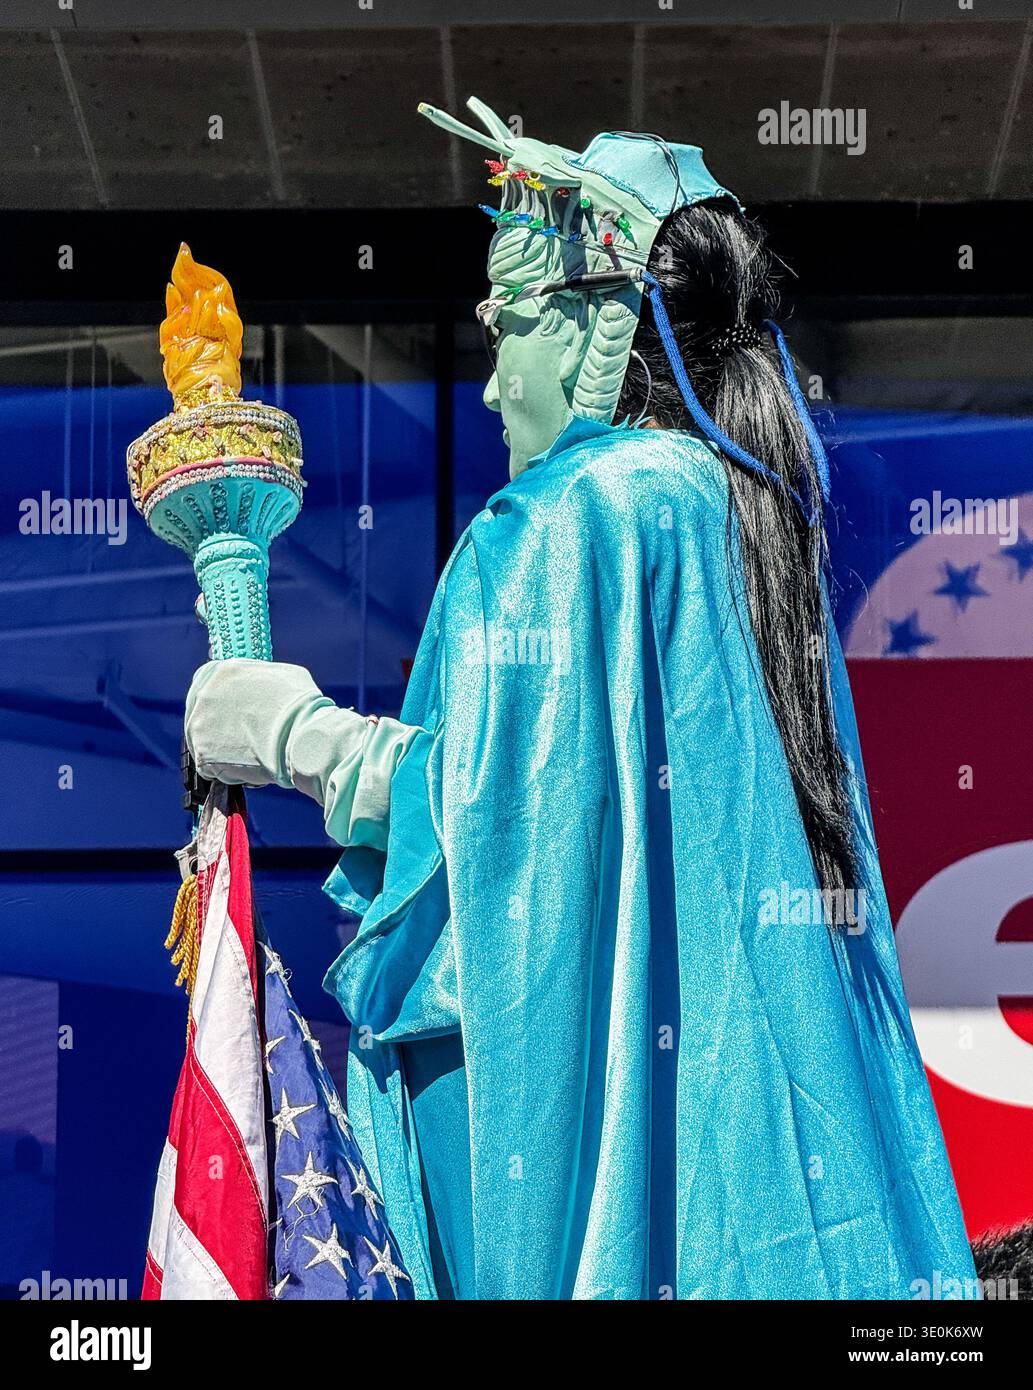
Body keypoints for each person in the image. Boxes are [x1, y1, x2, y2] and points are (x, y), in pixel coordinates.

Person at [185, 98, 977, 1300]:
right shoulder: (746, 518)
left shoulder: (572, 511)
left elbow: (498, 819)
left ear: (598, 326)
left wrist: (296, 735)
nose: (489, 384)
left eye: (504, 327)